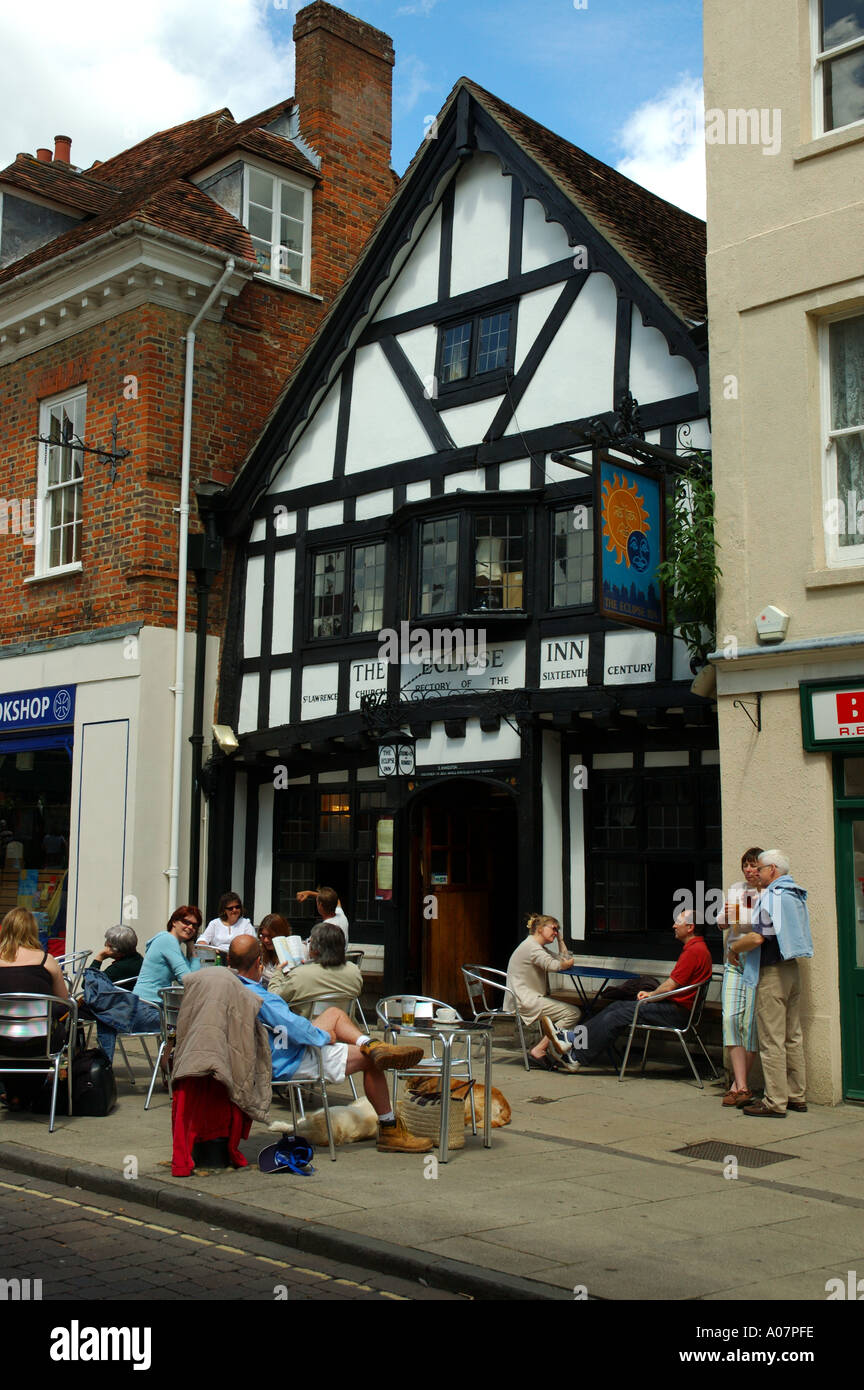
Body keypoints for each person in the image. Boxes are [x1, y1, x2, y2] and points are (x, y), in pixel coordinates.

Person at [228, 934, 432, 1153]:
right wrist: (324, 1037)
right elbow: (294, 1028)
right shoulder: (353, 972)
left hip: (262, 1055)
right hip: (288, 1060)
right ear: (259, 962)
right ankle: (389, 1128)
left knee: (333, 1014)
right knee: (370, 1060)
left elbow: (286, 1009)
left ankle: (372, 1044)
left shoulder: (230, 989)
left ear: (229, 962)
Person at [543, 909, 713, 1072]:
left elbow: (671, 984)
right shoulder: (697, 949)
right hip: (677, 1008)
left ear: (690, 927)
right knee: (617, 1006)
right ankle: (571, 1038)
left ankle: (576, 1055)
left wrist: (651, 995)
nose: (674, 926)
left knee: (618, 1014)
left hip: (678, 1013)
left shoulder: (694, 951)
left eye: (678, 922)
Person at [727, 849, 813, 1118]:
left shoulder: (773, 897)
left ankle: (775, 1101)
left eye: (762, 869)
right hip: (792, 970)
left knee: (771, 1040)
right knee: (792, 1036)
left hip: (773, 974)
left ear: (773, 870)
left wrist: (734, 949)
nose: (758, 874)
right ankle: (797, 1095)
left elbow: (757, 938)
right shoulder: (796, 895)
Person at [85, 906, 203, 1063]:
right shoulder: (167, 941)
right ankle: (164, 1063)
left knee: (106, 1018)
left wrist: (191, 948)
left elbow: (190, 979)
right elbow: (188, 979)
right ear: (174, 922)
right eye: (186, 922)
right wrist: (193, 952)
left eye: (195, 925)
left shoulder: (167, 942)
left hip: (145, 1008)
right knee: (107, 1017)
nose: (190, 927)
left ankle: (103, 1069)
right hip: (149, 1010)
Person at [0, 908, 69, 1107]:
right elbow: (63, 1002)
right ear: (32, 930)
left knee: (13, 1036)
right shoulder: (46, 960)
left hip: (2, 1039)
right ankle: (27, 1094)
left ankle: (14, 1094)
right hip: (40, 1040)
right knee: (54, 1030)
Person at [505, 913, 581, 1069]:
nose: (555, 932)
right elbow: (554, 965)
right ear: (540, 929)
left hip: (527, 997)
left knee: (569, 1013)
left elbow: (561, 959)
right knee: (573, 1013)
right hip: (525, 1000)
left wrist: (560, 940)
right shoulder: (532, 948)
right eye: (553, 928)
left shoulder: (536, 947)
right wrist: (566, 964)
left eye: (557, 929)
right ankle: (540, 1049)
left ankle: (550, 1047)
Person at [718, 848, 762, 1108]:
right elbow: (722, 925)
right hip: (733, 959)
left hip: (754, 958)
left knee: (749, 1023)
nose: (748, 869)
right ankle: (741, 1085)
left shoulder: (768, 892)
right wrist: (725, 913)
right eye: (745, 864)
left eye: (753, 865)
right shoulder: (736, 889)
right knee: (730, 1018)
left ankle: (738, 1085)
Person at [269, 920, 363, 1017]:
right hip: (343, 1027)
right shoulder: (354, 971)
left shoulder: (300, 975)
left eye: (310, 941)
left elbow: (273, 999)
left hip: (309, 1028)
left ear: (315, 949)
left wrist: (278, 973)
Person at [257, 913, 290, 985]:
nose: (266, 940)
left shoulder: (291, 954)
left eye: (270, 936)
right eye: (263, 935)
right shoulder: (260, 952)